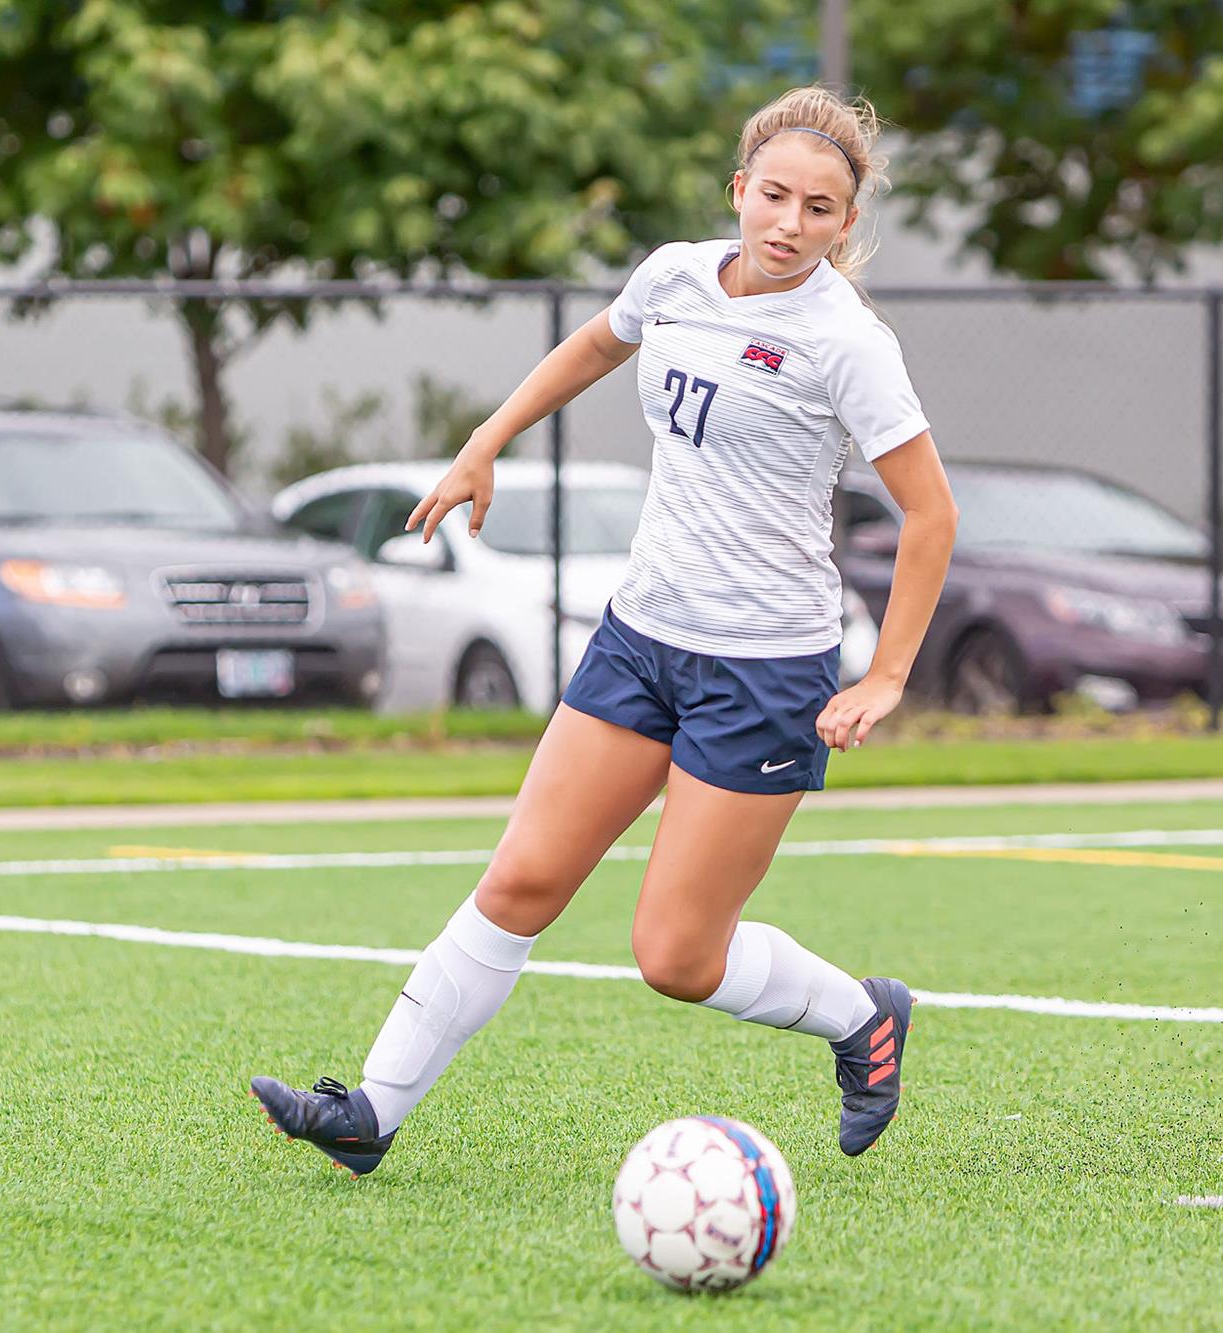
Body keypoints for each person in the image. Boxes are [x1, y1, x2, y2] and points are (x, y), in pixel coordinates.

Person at [251, 85, 958, 1176]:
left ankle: (860, 1018)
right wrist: (485, 441)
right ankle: (367, 1114)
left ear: (844, 226)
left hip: (762, 672)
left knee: (674, 955)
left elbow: (929, 514)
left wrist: (889, 675)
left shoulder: (846, 343)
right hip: (637, 640)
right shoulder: (674, 275)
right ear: (738, 189)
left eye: (819, 210)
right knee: (519, 883)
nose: (788, 224)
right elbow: (589, 347)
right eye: (772, 196)